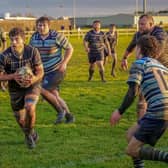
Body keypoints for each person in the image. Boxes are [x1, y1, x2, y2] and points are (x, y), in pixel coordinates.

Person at [110, 35, 168, 167]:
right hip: (161, 108)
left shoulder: (139, 63)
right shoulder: (161, 66)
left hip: (158, 110)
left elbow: (132, 92)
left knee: (131, 150)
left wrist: (119, 111)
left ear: (139, 49)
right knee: (130, 134)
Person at [0, 27, 44, 149]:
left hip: (32, 85)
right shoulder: (4, 55)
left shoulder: (32, 51)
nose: (14, 42)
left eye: (17, 39)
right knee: (20, 120)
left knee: (30, 107)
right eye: (11, 40)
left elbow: (40, 71)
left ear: (24, 40)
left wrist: (33, 79)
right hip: (15, 89)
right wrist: (14, 76)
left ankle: (29, 135)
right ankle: (30, 133)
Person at [121, 14, 168, 119]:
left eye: (142, 24)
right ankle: (141, 123)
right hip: (148, 69)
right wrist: (124, 58)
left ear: (151, 24)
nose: (140, 26)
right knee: (142, 97)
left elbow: (157, 51)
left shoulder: (160, 34)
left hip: (163, 69)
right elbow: (131, 46)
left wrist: (142, 61)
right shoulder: (139, 35)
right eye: (139, 24)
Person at [30, 16, 75, 124]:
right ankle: (69, 116)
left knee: (42, 89)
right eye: (39, 25)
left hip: (57, 70)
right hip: (42, 72)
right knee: (54, 94)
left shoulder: (56, 36)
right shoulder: (34, 37)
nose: (41, 27)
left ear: (48, 26)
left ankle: (60, 112)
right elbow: (31, 53)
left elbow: (70, 48)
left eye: (43, 25)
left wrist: (64, 63)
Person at [0, 27, 7, 91]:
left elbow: (4, 41)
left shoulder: (1, 29)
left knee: (1, 69)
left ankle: (2, 84)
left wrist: (4, 51)